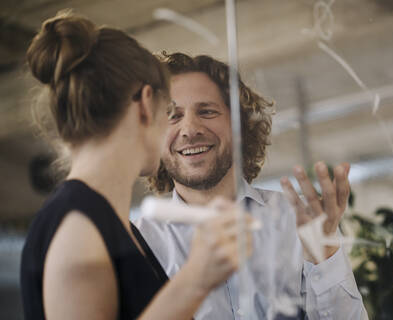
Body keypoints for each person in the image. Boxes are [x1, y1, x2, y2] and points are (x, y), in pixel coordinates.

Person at [20, 12, 252, 320]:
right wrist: (195, 280)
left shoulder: (107, 224)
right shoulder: (79, 229)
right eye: (168, 111)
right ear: (145, 103)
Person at [135, 52, 368, 319]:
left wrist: (325, 254)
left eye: (207, 111)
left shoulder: (297, 219)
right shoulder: (140, 243)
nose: (190, 129)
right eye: (172, 116)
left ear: (239, 126)